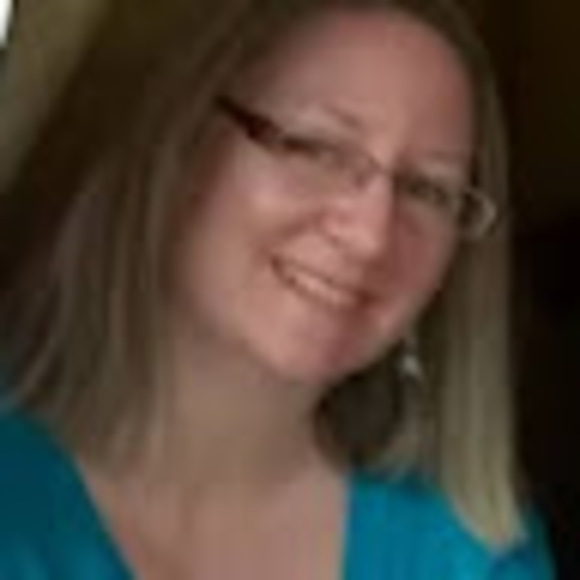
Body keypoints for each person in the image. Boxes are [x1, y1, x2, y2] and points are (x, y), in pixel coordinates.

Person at [0, 0, 554, 577]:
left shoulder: (475, 551)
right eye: (316, 148)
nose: (371, 236)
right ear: (173, 138)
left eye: (426, 190)